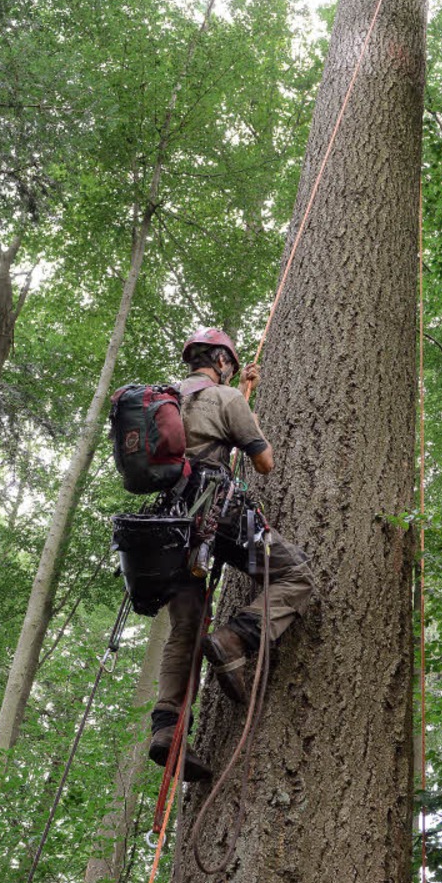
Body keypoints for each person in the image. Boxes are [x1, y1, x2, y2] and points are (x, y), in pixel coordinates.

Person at [148, 328, 317, 781]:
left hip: (166, 528)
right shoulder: (225, 398)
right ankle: (237, 637)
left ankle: (165, 729)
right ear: (222, 361)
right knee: (297, 573)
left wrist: (243, 394)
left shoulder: (162, 402)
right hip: (215, 515)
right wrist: (243, 404)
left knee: (184, 626)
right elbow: (263, 462)